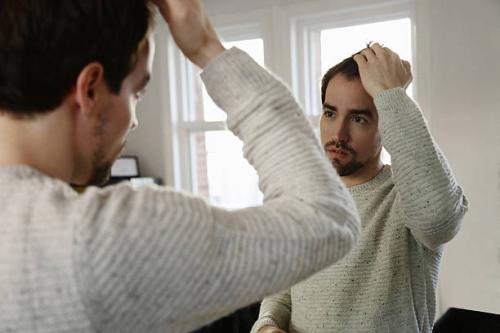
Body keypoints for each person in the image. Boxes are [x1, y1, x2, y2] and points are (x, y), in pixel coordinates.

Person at [0, 0, 361, 332]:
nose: (135, 120)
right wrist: (206, 46)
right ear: (90, 89)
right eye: (136, 93)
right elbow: (328, 218)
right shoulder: (99, 240)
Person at [251, 44, 468, 333]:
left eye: (358, 118)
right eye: (330, 113)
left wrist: (391, 94)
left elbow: (441, 220)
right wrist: (267, 327)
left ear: (385, 124)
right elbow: (282, 291)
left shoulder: (405, 196)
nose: (338, 134)